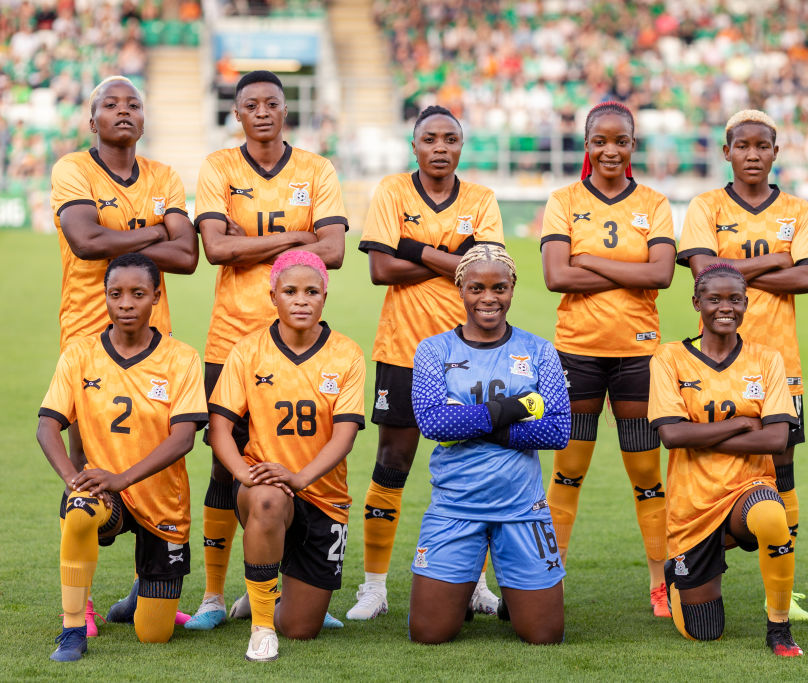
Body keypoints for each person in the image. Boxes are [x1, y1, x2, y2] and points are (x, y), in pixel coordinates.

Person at [187, 70, 349, 630]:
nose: (262, 111)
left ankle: (284, 592)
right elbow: (214, 248)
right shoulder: (219, 167)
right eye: (250, 104)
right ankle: (212, 594)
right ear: (237, 113)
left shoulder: (316, 169)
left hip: (302, 340)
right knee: (224, 464)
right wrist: (293, 239)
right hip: (233, 338)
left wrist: (247, 243)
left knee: (299, 460)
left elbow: (335, 250)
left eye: (272, 103)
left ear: (286, 110)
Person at [48, 74, 199, 632]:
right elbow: (84, 242)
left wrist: (139, 234)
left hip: (154, 346)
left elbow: (187, 258)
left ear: (144, 117)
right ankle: (79, 604)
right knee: (89, 477)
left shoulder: (163, 176)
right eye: (110, 104)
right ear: (92, 121)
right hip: (88, 339)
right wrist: (158, 231)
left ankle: (147, 584)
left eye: (133, 103)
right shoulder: (73, 169)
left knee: (156, 467)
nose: (123, 111)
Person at [348, 105, 505, 620]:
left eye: (451, 139)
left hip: (472, 351)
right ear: (414, 146)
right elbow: (380, 268)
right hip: (403, 350)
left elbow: (486, 273)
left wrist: (415, 248)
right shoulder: (393, 191)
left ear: (462, 146)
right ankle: (373, 587)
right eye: (430, 138)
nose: (441, 147)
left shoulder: (481, 198)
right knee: (391, 463)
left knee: (475, 465)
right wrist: (453, 258)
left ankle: (476, 582)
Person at [677, 110, 808, 621]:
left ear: (776, 153)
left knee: (782, 471)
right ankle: (694, 558)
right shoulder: (706, 205)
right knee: (702, 459)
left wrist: (732, 271)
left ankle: (783, 592)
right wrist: (774, 261)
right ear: (727, 152)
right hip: (713, 364)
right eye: (743, 146)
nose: (753, 154)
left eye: (764, 146)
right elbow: (703, 273)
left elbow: (807, 278)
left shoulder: (799, 209)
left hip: (780, 365)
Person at [540, 101, 676, 616]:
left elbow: (661, 275)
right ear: (587, 144)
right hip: (577, 351)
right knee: (568, 470)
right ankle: (549, 577)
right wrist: (628, 269)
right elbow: (557, 276)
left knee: (646, 474)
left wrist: (590, 260)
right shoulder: (564, 200)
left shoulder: (655, 203)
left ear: (633, 145)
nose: (610, 150)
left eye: (621, 141)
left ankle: (661, 584)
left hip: (638, 354)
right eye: (601, 140)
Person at [38, 253, 207, 661]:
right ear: (105, 298)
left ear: (156, 297)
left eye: (137, 294)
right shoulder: (79, 355)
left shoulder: (181, 358)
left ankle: (139, 598)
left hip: (162, 502)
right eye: (116, 294)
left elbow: (184, 437)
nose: (126, 303)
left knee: (153, 634)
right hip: (104, 494)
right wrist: (72, 479)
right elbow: (47, 426)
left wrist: (123, 477)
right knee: (78, 509)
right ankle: (73, 627)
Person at [207, 251, 364, 661]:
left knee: (301, 629)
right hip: (267, 493)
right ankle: (261, 627)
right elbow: (220, 428)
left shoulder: (347, 354)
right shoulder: (247, 350)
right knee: (267, 498)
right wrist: (245, 474)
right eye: (290, 291)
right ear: (272, 295)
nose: (301, 300)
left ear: (325, 297)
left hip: (323, 497)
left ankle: (264, 601)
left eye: (312, 291)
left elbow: (344, 437)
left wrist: (299, 478)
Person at [409, 245, 569, 644]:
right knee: (429, 633)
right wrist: (517, 407)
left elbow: (557, 430)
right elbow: (432, 422)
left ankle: (510, 595)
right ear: (460, 288)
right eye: (477, 287)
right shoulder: (434, 350)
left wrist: (468, 420)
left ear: (512, 287)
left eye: (499, 287)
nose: (488, 298)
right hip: (454, 505)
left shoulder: (538, 351)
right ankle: (462, 590)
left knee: (544, 636)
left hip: (522, 508)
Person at [648, 263, 802, 657]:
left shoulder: (766, 359)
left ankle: (779, 628)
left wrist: (700, 435)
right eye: (714, 299)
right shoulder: (668, 358)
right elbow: (671, 435)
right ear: (697, 302)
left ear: (746, 304)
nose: (725, 307)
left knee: (772, 515)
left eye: (735, 299)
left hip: (748, 490)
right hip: (693, 506)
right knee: (704, 632)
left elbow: (777, 438)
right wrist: (741, 424)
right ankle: (684, 569)